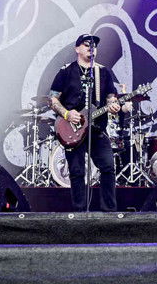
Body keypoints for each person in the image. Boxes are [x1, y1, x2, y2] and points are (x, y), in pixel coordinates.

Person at [49, 34, 124, 212]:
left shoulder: (103, 72)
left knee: (108, 168)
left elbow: (111, 98)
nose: (91, 47)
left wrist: (114, 106)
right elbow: (52, 100)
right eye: (86, 44)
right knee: (77, 172)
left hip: (97, 129)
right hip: (72, 129)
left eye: (94, 45)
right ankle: (80, 212)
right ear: (77, 49)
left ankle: (109, 212)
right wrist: (67, 114)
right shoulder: (66, 71)